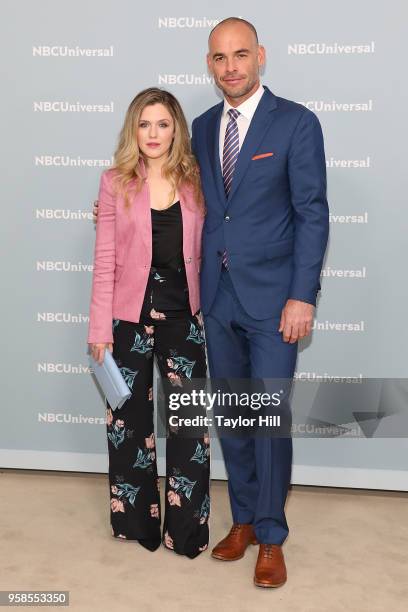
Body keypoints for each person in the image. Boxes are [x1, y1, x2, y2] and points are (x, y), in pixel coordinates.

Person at [190, 17, 329, 587]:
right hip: (217, 299)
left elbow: (312, 213)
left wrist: (302, 295)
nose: (231, 68)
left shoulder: (296, 122)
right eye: (220, 58)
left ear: (260, 56)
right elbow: (179, 198)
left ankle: (271, 536)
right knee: (232, 415)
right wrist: (115, 209)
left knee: (268, 419)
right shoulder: (200, 127)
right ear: (210, 64)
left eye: (240, 55)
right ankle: (243, 517)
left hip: (275, 302)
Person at [87, 88, 210, 559]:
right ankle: (136, 522)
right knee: (129, 424)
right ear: (132, 130)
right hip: (127, 321)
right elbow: (104, 260)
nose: (153, 134)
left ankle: (188, 531)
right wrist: (99, 328)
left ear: (176, 128)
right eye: (144, 124)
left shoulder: (198, 180)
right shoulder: (115, 182)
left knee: (189, 430)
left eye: (162, 124)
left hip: (185, 320)